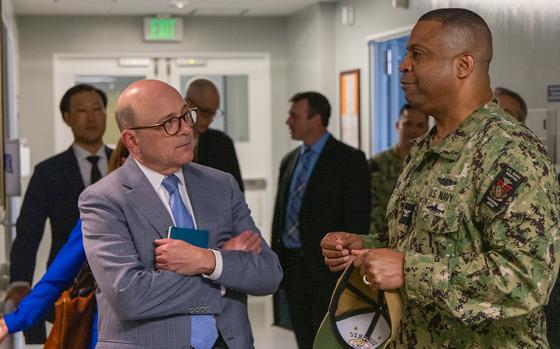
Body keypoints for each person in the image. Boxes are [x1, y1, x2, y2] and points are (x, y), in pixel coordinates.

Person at [321, 8, 559, 348]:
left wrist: (408, 270)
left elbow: (527, 280)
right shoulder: (427, 148)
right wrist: (368, 249)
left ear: (463, 65)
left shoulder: (509, 152)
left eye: (418, 54)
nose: (404, 65)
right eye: (406, 54)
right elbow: (431, 245)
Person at [80, 79, 282, 349]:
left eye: (186, 116)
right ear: (132, 140)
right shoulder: (104, 199)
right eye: (169, 123)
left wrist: (207, 260)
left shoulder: (221, 185)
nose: (186, 129)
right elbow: (130, 296)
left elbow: (269, 274)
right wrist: (226, 272)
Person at [6, 84, 111, 343]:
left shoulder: (125, 163)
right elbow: (29, 231)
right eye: (82, 110)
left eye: (97, 109)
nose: (91, 117)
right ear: (67, 117)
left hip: (116, 281)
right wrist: (20, 281)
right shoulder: (48, 172)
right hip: (68, 284)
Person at [0, 141, 129, 349]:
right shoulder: (103, 208)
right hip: (111, 332)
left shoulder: (185, 200)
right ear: (124, 162)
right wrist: (12, 321)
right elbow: (59, 275)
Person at [271, 91, 370, 349]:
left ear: (315, 119)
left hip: (327, 270)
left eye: (294, 115)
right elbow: (281, 214)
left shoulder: (349, 160)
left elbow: (358, 219)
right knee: (302, 337)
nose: (288, 121)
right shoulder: (290, 160)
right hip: (293, 268)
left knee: (326, 340)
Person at [368, 104, 428, 246]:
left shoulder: (430, 164)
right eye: (407, 124)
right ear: (397, 125)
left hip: (414, 248)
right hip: (377, 242)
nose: (413, 130)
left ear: (427, 129)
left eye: (420, 125)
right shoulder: (376, 164)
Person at [185, 78, 244, 191]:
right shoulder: (173, 142)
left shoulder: (222, 143)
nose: (210, 119)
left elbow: (236, 191)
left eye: (214, 113)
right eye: (205, 112)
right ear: (188, 104)